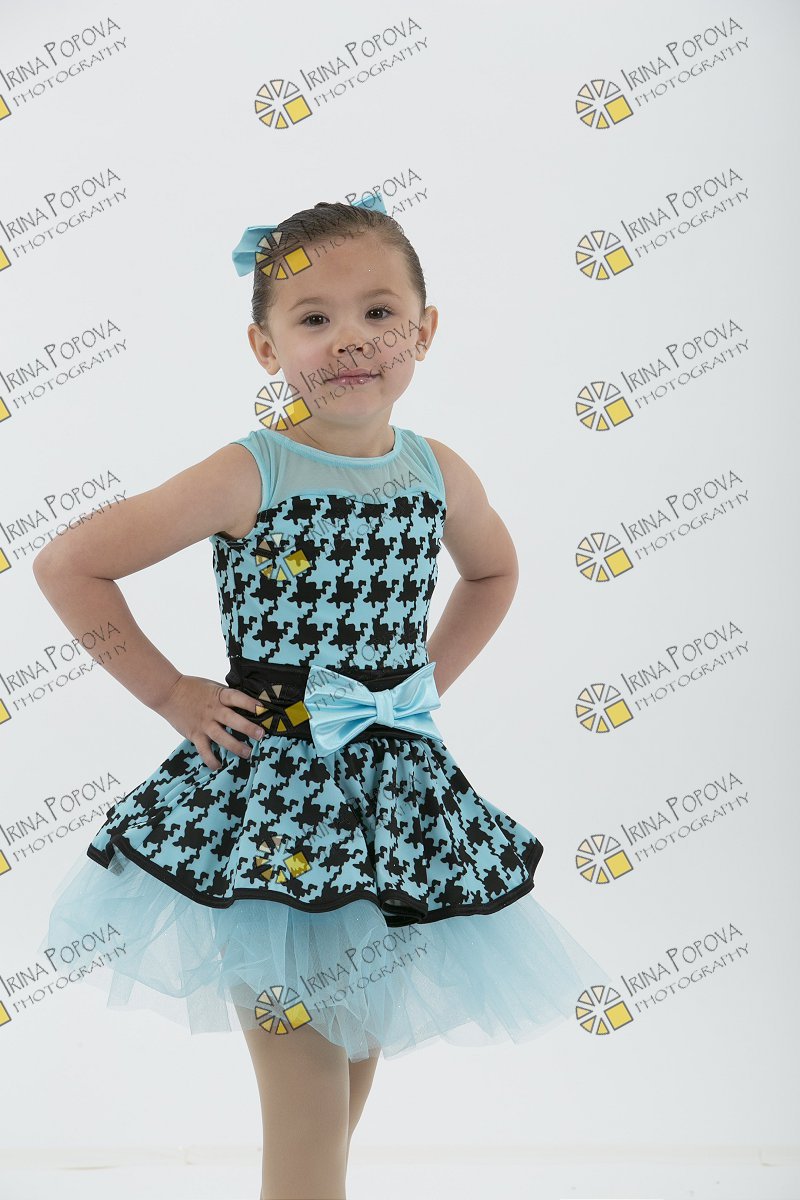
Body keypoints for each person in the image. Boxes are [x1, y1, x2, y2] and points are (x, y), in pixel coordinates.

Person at [34, 196, 614, 1200]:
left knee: (346, 1074)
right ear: (265, 348)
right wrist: (170, 691)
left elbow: (493, 574)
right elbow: (68, 564)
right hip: (275, 803)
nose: (351, 339)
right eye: (314, 318)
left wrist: (415, 693)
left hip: (392, 800)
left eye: (378, 313)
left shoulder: (435, 470)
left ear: (423, 331)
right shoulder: (250, 470)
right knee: (306, 1102)